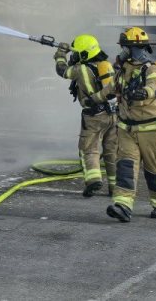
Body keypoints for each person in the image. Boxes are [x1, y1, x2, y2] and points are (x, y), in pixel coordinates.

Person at [89, 27, 156, 222]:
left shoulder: (151, 68)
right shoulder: (122, 71)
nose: (122, 51)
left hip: (151, 129)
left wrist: (145, 92)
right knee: (125, 167)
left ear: (135, 48)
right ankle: (123, 206)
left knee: (154, 170)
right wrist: (94, 99)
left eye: (125, 47)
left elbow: (155, 83)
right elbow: (110, 89)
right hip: (127, 129)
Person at [54, 34, 117, 198]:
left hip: (94, 115)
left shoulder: (81, 69)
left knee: (88, 149)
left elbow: (62, 71)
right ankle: (115, 186)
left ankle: (93, 179)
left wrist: (61, 54)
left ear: (84, 54)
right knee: (112, 151)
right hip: (113, 114)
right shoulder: (105, 65)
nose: (74, 56)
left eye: (76, 53)